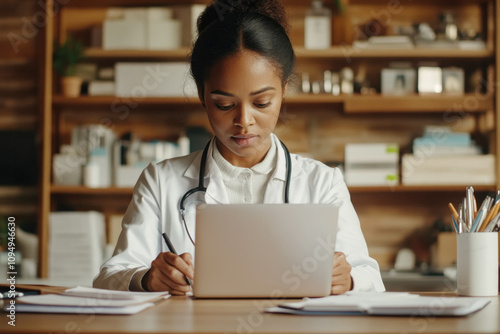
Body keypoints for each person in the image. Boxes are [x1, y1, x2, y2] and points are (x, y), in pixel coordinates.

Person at [93, 0, 385, 295]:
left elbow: (371, 281)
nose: (243, 121)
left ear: (283, 91)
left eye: (261, 103)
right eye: (224, 104)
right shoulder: (160, 182)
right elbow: (109, 278)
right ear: (201, 94)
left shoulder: (322, 183)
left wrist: (348, 280)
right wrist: (146, 278)